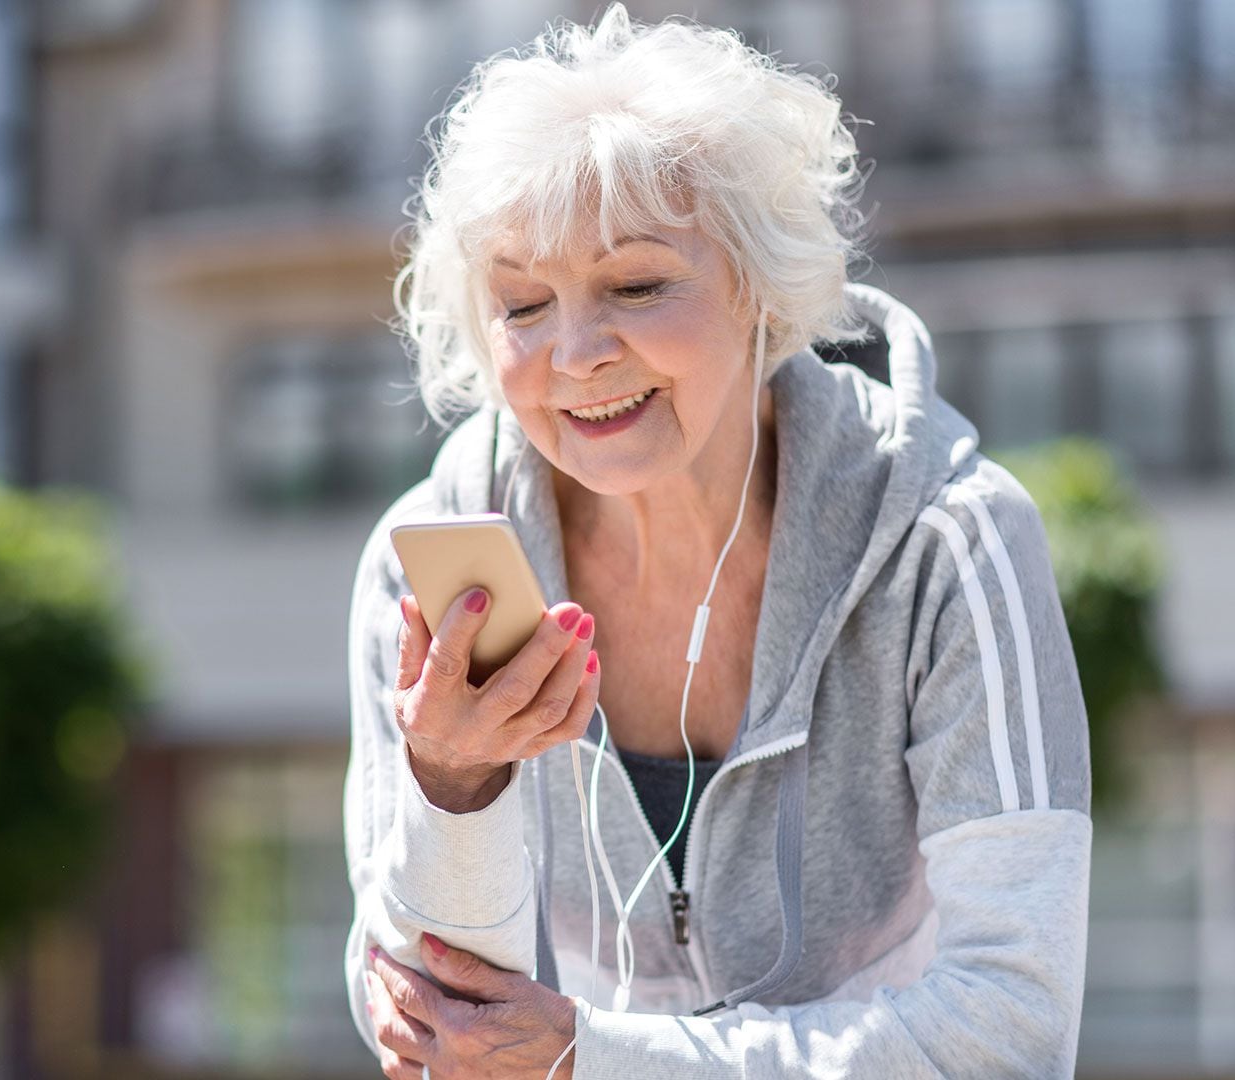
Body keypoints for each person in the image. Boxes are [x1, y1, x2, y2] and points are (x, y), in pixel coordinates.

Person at [342, 7, 1092, 1079]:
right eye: (522, 304)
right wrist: (454, 790)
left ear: (758, 286)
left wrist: (599, 1059)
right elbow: (436, 1039)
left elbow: (1011, 1030)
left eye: (638, 285)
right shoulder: (430, 563)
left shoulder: (952, 543)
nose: (578, 354)